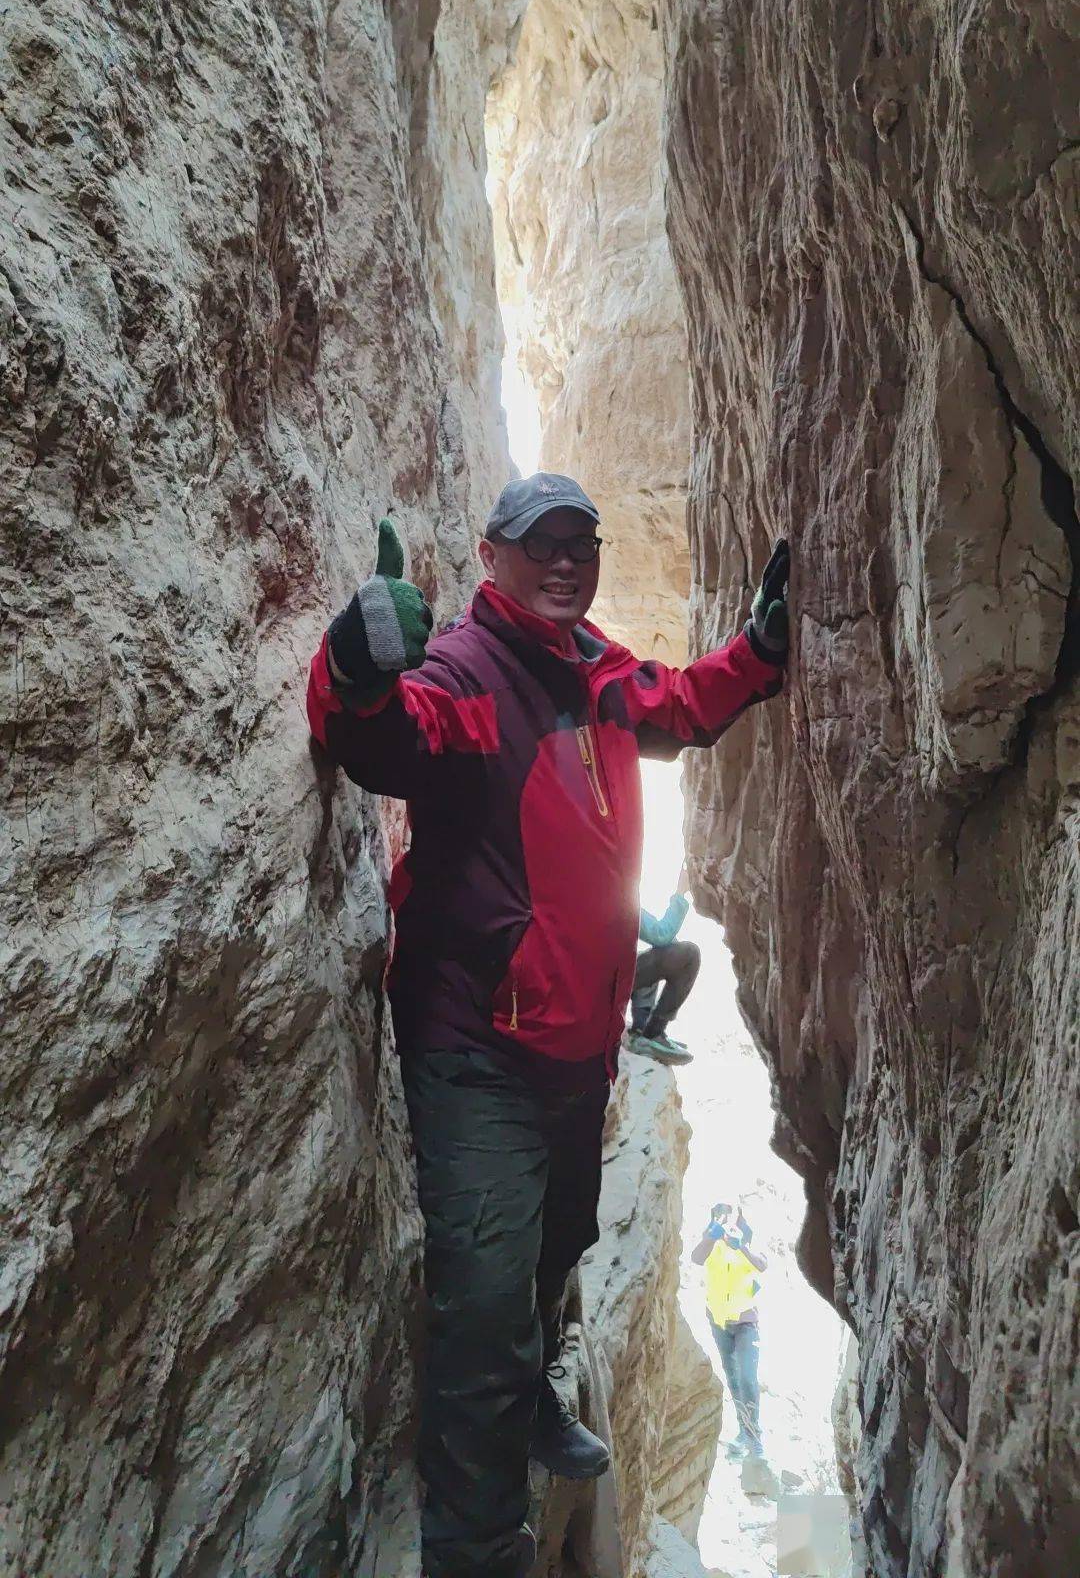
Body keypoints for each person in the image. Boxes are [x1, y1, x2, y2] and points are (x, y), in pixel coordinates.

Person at [306, 472, 790, 1578]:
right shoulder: (470, 673)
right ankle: (481, 1552)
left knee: (555, 1243)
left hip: (577, 1046)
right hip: (477, 1044)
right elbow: (377, 737)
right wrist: (354, 659)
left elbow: (681, 702)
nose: (566, 561)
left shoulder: (599, 670)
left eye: (583, 542)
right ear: (492, 557)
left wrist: (758, 654)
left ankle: (534, 1404)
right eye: (542, 545)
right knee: (482, 1307)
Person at [692, 1201, 768, 1460]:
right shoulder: (712, 1243)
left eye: (730, 1216)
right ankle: (744, 1431)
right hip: (719, 1322)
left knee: (748, 1378)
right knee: (734, 1378)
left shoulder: (747, 1241)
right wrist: (711, 1238)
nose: (727, 1222)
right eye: (721, 1217)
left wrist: (742, 1245)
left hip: (746, 1323)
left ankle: (754, 1436)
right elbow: (696, 1258)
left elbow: (762, 1265)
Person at [627, 863, 699, 1064]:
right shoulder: (616, 896)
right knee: (689, 955)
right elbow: (661, 934)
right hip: (609, 979)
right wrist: (680, 891)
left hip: (592, 980)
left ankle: (640, 1028)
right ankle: (652, 1033)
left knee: (654, 956)